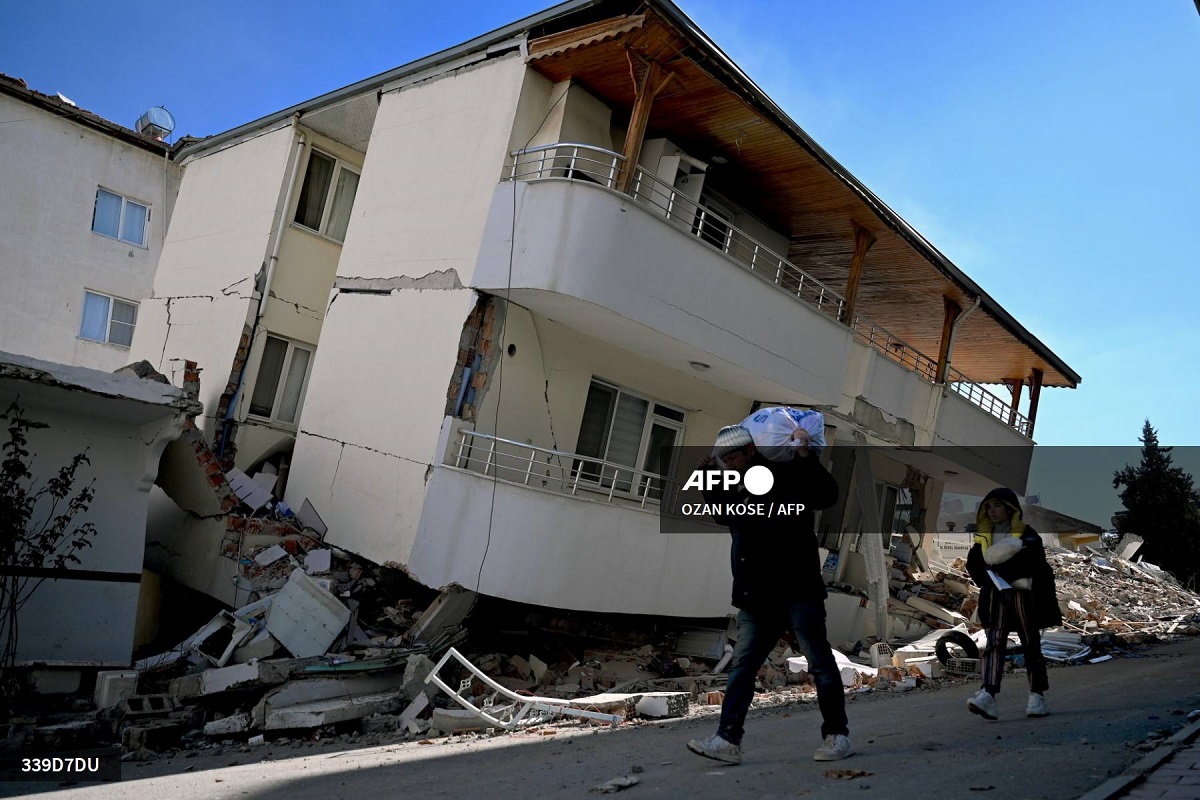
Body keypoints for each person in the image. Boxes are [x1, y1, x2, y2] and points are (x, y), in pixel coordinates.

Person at [686, 424, 851, 765]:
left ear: (750, 451)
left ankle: (837, 736)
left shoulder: (787, 473)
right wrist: (706, 475)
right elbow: (722, 514)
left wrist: (805, 456)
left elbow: (826, 496)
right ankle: (727, 741)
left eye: (733, 457)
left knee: (819, 663)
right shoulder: (736, 484)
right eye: (724, 459)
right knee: (743, 666)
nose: (729, 464)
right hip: (757, 594)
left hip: (797, 589)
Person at [964, 487, 1062, 720]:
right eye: (988, 507)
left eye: (996, 505)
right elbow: (974, 565)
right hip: (995, 596)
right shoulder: (984, 539)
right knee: (994, 643)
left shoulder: (1027, 535)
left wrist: (998, 569)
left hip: (1024, 594)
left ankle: (1036, 696)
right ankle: (988, 694)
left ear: (1009, 509)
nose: (992, 510)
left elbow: (1033, 562)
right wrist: (993, 575)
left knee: (1030, 642)